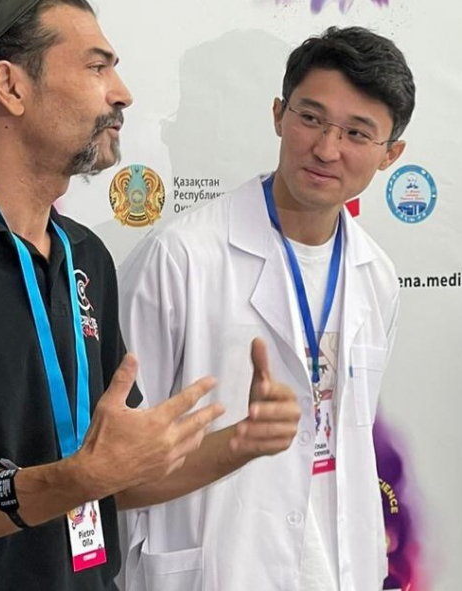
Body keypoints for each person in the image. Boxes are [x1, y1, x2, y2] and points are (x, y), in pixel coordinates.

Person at [0, 1, 295, 589]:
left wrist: (240, 443)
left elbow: (114, 477)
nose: (123, 93)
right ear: (11, 86)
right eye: (96, 67)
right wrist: (76, 479)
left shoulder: (86, 256)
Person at [117, 26, 414, 591]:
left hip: (338, 568)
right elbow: (109, 467)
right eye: (311, 118)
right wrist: (235, 443)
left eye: (357, 133)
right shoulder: (179, 257)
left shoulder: (376, 275)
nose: (327, 149)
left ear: (390, 155)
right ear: (278, 114)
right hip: (216, 570)